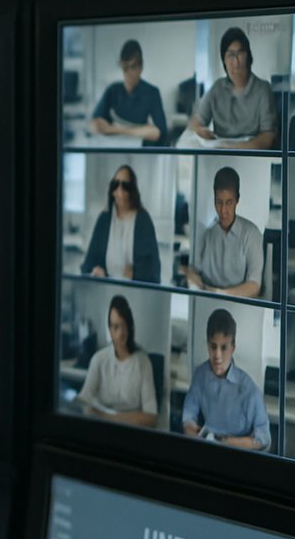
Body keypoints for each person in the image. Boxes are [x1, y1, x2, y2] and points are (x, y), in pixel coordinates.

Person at [181, 309, 270, 450]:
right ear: (207, 345)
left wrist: (224, 442)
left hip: (236, 455)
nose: (217, 356)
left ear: (233, 347)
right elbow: (188, 418)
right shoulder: (200, 375)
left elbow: (263, 438)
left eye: (224, 348)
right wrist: (197, 434)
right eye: (213, 346)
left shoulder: (249, 389)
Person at [75, 295, 158, 427]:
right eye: (115, 327)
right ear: (110, 329)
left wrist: (109, 418)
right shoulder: (99, 359)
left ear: (130, 327)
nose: (120, 333)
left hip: (130, 430)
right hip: (101, 427)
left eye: (124, 326)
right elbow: (83, 401)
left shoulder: (143, 362)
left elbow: (150, 417)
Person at [188, 27, 277, 149]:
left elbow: (268, 137)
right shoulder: (217, 88)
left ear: (248, 56)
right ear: (223, 60)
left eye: (240, 53)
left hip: (253, 157)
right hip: (221, 154)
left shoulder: (263, 89)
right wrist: (199, 130)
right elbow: (195, 122)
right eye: (230, 55)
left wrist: (234, 148)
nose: (236, 62)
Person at [185, 166, 264, 298]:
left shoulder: (251, 234)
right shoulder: (207, 234)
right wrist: (196, 282)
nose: (223, 211)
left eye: (229, 203)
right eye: (219, 202)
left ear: (237, 200)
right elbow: (193, 271)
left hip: (239, 303)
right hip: (207, 299)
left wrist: (222, 294)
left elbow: (254, 285)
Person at [80, 164, 160, 283]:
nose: (119, 192)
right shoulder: (104, 219)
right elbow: (89, 263)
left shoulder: (143, 220)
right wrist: (97, 271)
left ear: (132, 190)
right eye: (115, 185)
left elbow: (152, 269)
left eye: (125, 186)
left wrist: (134, 274)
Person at [88, 39, 167, 145]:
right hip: (114, 146)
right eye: (125, 67)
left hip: (139, 148)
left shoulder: (152, 92)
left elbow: (158, 132)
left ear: (141, 67)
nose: (128, 73)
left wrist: (117, 129)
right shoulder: (113, 90)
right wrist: (143, 130)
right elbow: (94, 124)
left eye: (133, 67)